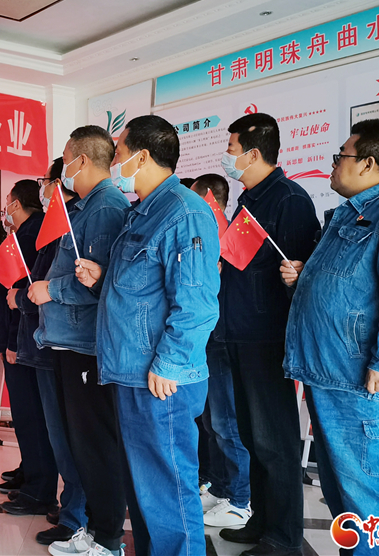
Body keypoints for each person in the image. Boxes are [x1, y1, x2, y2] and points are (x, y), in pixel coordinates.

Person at [280, 120, 379, 555]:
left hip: (364, 389)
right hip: (333, 378)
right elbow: (353, 288)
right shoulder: (352, 214)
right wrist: (306, 277)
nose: (334, 165)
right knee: (350, 511)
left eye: (341, 156)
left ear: (368, 163)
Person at [76, 115, 220, 555]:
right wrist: (102, 280)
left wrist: (170, 362)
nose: (113, 162)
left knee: (167, 492)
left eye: (118, 153)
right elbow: (144, 290)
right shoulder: (142, 210)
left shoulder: (184, 212)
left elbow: (196, 302)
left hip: (160, 380)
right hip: (132, 371)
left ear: (141, 157)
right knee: (145, 494)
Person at [28, 126, 140, 556]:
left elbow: (97, 281)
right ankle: (95, 530)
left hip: (86, 345)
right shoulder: (85, 206)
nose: (64, 169)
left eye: (67, 159)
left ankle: (108, 537)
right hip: (68, 341)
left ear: (83, 160)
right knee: (82, 445)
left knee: (96, 445)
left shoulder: (106, 207)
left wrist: (50, 290)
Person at [215, 113, 320, 556]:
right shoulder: (250, 199)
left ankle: (283, 536)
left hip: (267, 338)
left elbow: (305, 277)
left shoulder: (289, 200)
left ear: (254, 153)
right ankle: (261, 519)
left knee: (274, 440)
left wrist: (296, 274)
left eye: (232, 149)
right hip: (239, 333)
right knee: (251, 436)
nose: (227, 157)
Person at [8, 159, 88, 545]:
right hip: (46, 340)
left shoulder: (74, 221)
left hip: (65, 343)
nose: (43, 190)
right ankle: (72, 508)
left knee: (69, 436)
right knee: (58, 434)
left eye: (46, 182)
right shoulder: (56, 223)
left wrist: (25, 297)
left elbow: (58, 284)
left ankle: (78, 515)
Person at [190, 174, 253, 529]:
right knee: (211, 422)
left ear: (208, 198)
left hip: (224, 340)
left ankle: (241, 500)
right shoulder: (207, 234)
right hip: (208, 340)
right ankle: (219, 487)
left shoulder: (230, 236)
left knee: (227, 423)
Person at [0, 179, 61, 521]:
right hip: (23, 338)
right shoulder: (29, 232)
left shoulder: (33, 234)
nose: (5, 208)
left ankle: (39, 489)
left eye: (8, 201)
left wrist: (11, 342)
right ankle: (30, 473)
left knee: (31, 416)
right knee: (28, 416)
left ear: (17, 204)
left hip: (25, 340)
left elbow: (23, 292)